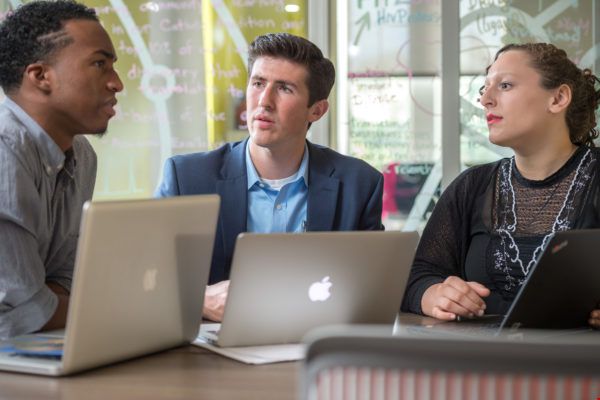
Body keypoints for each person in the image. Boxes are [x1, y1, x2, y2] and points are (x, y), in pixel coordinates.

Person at [156, 33, 384, 321]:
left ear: (316, 110)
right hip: (211, 344)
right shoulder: (187, 179)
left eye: (285, 88)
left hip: (316, 339)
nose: (264, 101)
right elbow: (147, 279)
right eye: (258, 83)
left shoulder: (359, 184)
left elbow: (372, 288)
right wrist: (198, 300)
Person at [401, 42, 600, 328]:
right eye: (485, 89)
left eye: (505, 85)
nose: (485, 100)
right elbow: (418, 276)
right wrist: (431, 294)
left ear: (558, 98)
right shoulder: (471, 186)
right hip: (482, 354)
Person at [0, 0, 123, 338]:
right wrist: (133, 307)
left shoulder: (82, 156)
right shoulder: (4, 151)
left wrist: (45, 302)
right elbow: (19, 313)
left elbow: (63, 280)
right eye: (99, 64)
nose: (117, 83)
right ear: (41, 76)